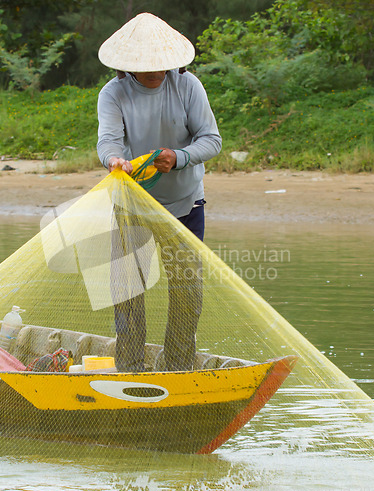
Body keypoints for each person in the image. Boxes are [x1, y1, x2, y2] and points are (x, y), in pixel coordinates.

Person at [96, 12, 222, 372]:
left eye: (160, 65)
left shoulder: (187, 86)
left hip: (185, 205)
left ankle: (180, 366)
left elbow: (211, 140)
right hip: (131, 204)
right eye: (145, 66)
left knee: (186, 292)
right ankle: (130, 367)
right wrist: (115, 160)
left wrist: (178, 157)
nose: (154, 72)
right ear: (126, 66)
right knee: (127, 292)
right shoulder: (113, 93)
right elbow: (108, 140)